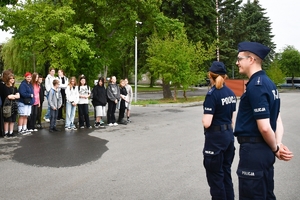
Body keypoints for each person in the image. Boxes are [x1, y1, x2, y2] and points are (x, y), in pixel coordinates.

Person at [234, 41, 293, 200]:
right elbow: (277, 120)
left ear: (251, 59)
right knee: (266, 194)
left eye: (240, 58)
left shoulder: (256, 86)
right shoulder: (269, 84)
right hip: (265, 150)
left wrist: (275, 149)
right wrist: (277, 145)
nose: (237, 62)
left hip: (254, 151)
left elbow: (265, 127)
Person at [202, 61, 237, 200]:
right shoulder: (230, 93)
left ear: (210, 76)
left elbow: (207, 122)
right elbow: (232, 119)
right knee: (226, 173)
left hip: (215, 140)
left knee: (215, 178)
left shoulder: (212, 94)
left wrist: (203, 119)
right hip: (228, 137)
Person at [0, 73, 19, 138]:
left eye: (13, 78)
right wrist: (14, 96)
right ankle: (6, 132)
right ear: (8, 79)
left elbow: (18, 96)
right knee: (7, 119)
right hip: (7, 105)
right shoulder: (5, 87)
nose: (12, 79)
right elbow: (9, 96)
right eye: (11, 78)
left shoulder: (15, 87)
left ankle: (11, 132)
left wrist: (13, 96)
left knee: (13, 120)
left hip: (14, 105)